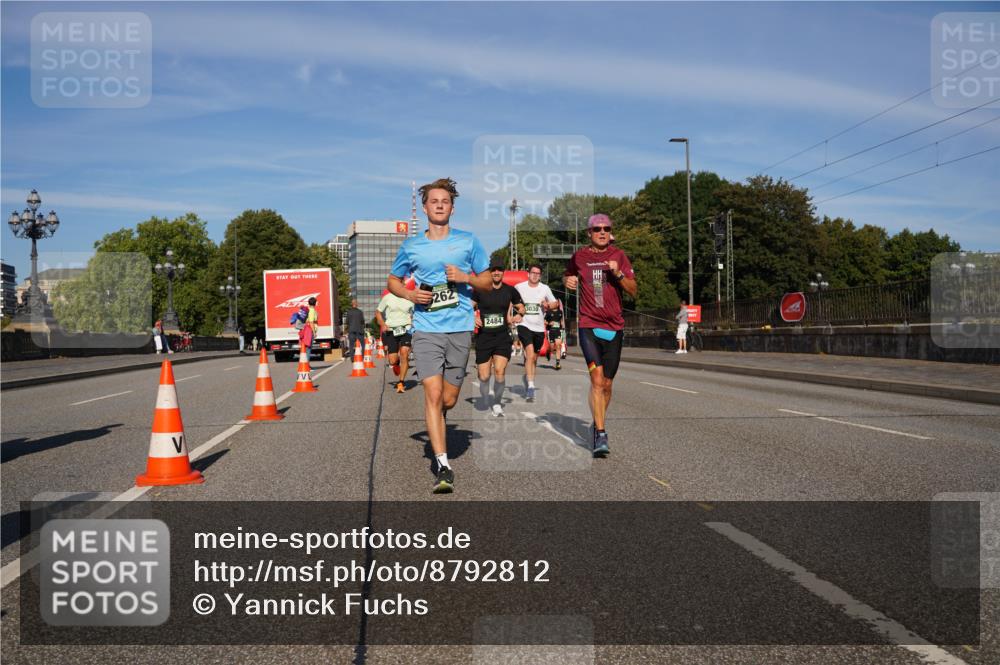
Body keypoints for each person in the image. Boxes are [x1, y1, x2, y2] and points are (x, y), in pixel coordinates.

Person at [387, 177, 491, 494]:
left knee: (448, 399)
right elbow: (393, 280)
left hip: (459, 328)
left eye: (445, 201)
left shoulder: (468, 241)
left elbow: (487, 281)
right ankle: (443, 465)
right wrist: (409, 294)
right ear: (425, 207)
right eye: (434, 201)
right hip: (426, 328)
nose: (440, 206)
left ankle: (440, 419)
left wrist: (465, 277)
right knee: (432, 395)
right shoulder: (412, 246)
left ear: (452, 208)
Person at [564, 213, 637, 458]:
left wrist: (618, 274)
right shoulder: (579, 257)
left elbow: (634, 290)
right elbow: (568, 274)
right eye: (597, 229)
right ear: (589, 233)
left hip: (614, 327)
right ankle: (601, 433)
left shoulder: (619, 256)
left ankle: (597, 422)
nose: (602, 232)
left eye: (606, 228)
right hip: (588, 325)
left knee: (607, 384)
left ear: (610, 232)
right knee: (596, 380)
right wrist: (568, 280)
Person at [473, 262, 525, 417]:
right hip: (484, 337)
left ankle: (496, 402)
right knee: (484, 376)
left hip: (502, 337)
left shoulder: (510, 290)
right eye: (493, 270)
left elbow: (521, 307)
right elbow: (467, 306)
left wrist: (520, 314)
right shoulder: (480, 289)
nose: (496, 273)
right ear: (490, 273)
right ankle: (485, 395)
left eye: (499, 270)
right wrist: (472, 318)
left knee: (499, 371)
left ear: (503, 272)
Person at [514, 264, 558, 402]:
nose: (535, 275)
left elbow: (555, 303)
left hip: (539, 328)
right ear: (528, 273)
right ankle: (531, 386)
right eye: (533, 272)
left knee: (533, 358)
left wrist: (548, 305)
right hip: (524, 324)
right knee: (530, 353)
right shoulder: (519, 287)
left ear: (540, 276)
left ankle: (530, 379)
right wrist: (512, 316)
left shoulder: (545, 288)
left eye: (538, 273)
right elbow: (510, 300)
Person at [375, 289, 415, 393]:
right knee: (392, 360)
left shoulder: (409, 297)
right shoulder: (388, 297)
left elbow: (417, 312)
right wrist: (382, 324)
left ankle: (401, 382)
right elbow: (378, 312)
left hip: (406, 329)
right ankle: (396, 364)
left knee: (404, 353)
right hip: (391, 330)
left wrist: (413, 321)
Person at [544, 299, 565, 370]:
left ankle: (558, 363)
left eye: (556, 302)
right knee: (552, 348)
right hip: (551, 331)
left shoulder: (560, 312)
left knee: (558, 346)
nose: (555, 303)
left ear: (557, 304)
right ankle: (548, 352)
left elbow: (561, 320)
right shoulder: (548, 312)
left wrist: (562, 327)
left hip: (558, 330)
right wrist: (549, 323)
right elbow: (544, 321)